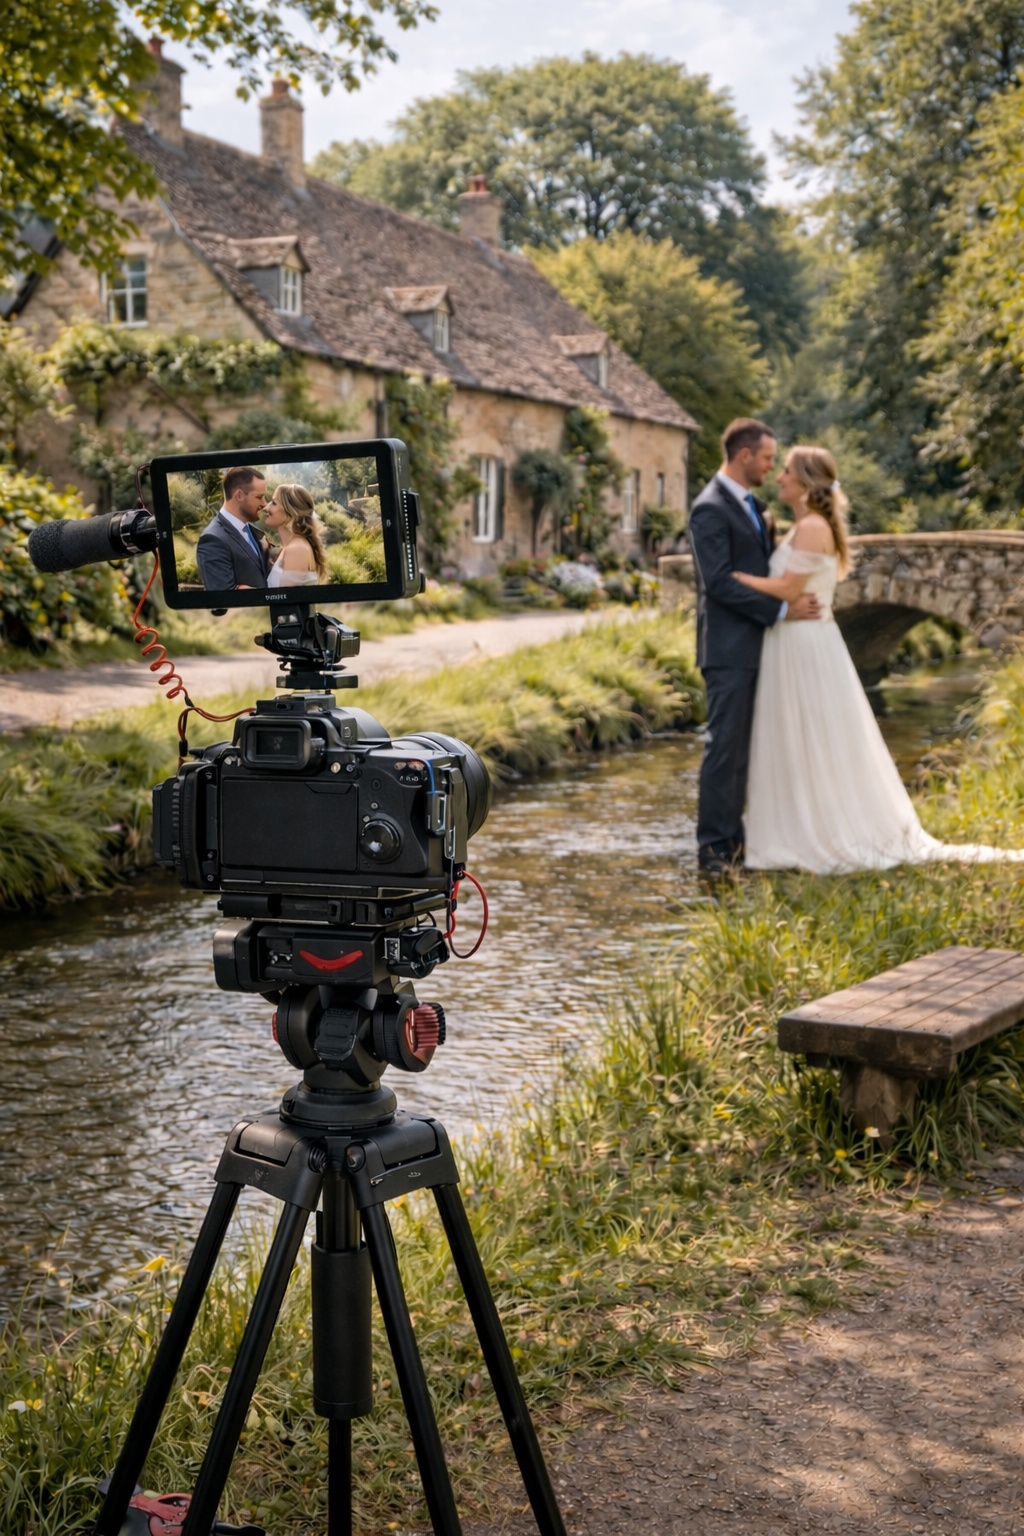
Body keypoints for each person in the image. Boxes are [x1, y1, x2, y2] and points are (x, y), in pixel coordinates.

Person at [733, 444, 1024, 871]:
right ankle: (793, 825)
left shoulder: (813, 526)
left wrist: (734, 578)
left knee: (812, 734)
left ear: (806, 481)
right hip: (791, 640)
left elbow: (793, 590)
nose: (778, 477)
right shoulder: (802, 525)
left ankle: (818, 831)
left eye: (788, 471)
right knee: (794, 735)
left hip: (805, 643)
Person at [688, 419, 821, 880]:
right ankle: (713, 851)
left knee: (747, 749)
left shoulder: (755, 506)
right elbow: (719, 584)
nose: (771, 466)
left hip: (758, 647)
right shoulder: (709, 508)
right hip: (727, 649)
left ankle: (738, 842)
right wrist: (782, 612)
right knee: (724, 749)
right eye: (767, 458)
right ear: (745, 455)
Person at [195, 467, 271, 590]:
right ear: (239, 495)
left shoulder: (251, 529)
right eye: (259, 497)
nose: (264, 503)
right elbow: (221, 596)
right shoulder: (212, 539)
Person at [263, 484, 327, 587]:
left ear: (291, 512)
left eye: (274, 503)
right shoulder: (291, 546)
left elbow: (286, 599)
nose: (266, 507)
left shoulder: (297, 549)